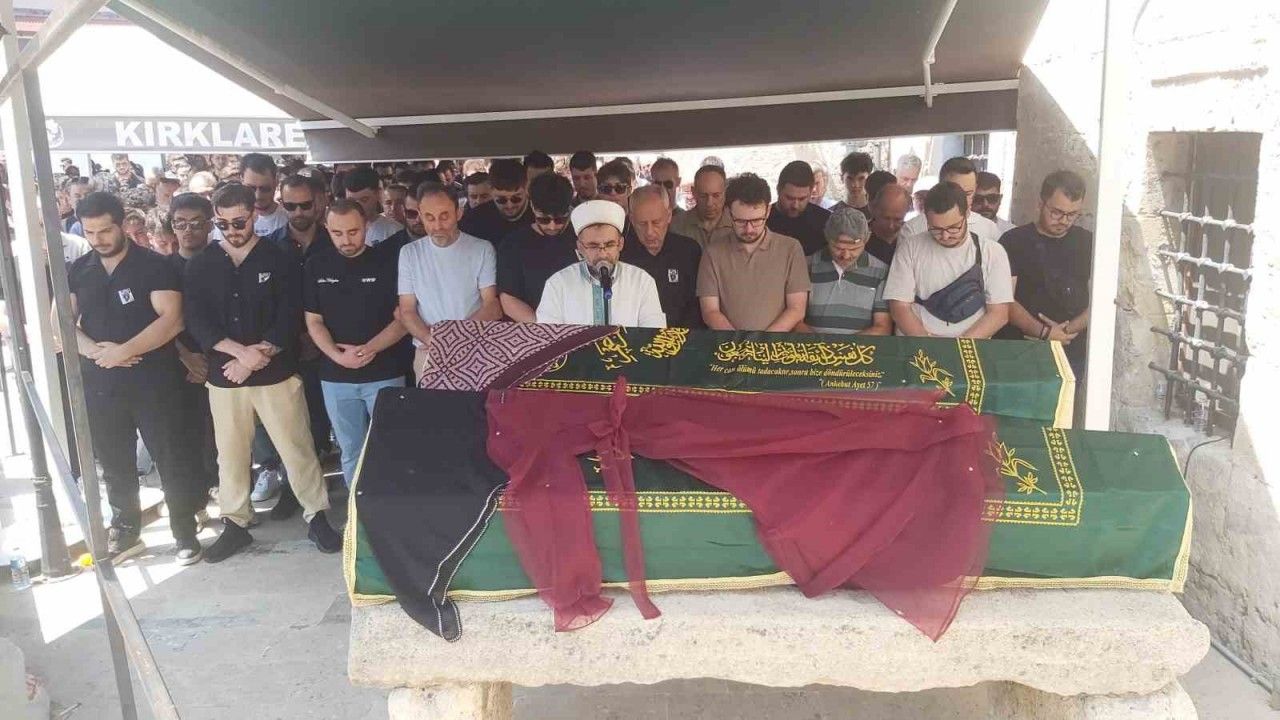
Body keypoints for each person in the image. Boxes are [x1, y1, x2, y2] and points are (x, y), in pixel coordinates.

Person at [183, 183, 341, 562]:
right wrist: (240, 355)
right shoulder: (201, 263)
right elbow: (198, 320)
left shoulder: (280, 256)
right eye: (223, 224)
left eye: (239, 222)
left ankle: (316, 516)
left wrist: (257, 355)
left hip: (275, 373)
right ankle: (235, 523)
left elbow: (290, 315)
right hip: (226, 374)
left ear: (253, 215)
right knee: (231, 454)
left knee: (297, 447)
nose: (232, 230)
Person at [68, 192, 203, 563]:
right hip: (101, 381)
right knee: (114, 461)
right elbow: (60, 322)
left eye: (105, 230)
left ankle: (184, 532)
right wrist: (97, 353)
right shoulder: (79, 269)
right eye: (89, 232)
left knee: (170, 456)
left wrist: (123, 351)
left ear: (122, 224)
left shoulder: (154, 266)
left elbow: (172, 320)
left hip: (154, 380)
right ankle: (125, 531)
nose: (98, 239)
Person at [304, 200, 409, 488]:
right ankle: (356, 509)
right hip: (335, 376)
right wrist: (337, 356)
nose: (346, 240)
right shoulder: (316, 265)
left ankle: (388, 506)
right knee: (350, 450)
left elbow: (404, 319)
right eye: (337, 233)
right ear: (326, 228)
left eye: (353, 232)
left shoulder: (389, 263)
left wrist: (370, 348)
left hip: (385, 371)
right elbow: (313, 321)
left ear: (366, 226)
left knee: (390, 447)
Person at [884, 182, 1012, 339]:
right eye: (936, 229)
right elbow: (899, 307)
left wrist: (959, 347)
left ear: (967, 214)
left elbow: (998, 314)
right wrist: (928, 345)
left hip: (971, 344)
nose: (945, 236)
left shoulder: (993, 252)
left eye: (953, 227)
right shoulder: (909, 248)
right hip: (918, 342)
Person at [398, 183, 500, 376]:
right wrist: (432, 340)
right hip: (428, 352)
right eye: (430, 217)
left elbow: (492, 307)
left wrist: (455, 340)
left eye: (444, 216)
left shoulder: (482, 249)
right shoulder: (409, 253)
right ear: (420, 216)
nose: (437, 225)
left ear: (458, 213)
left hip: (474, 351)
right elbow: (407, 310)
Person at [998, 170, 1092, 376]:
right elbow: (1004, 299)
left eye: (1072, 214)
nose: (1064, 220)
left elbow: (1103, 299)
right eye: (1057, 212)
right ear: (1040, 204)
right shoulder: (1013, 241)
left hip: (1071, 351)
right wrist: (1043, 332)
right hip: (1020, 348)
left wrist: (1064, 332)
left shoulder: (1087, 242)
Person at [697, 173, 809, 332]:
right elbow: (710, 312)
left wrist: (762, 342)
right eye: (741, 221)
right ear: (728, 213)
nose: (749, 229)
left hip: (776, 344)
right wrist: (738, 343)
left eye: (756, 220)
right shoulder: (712, 253)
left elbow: (796, 309)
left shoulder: (791, 249)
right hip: (729, 344)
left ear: (768, 211)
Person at [537, 200, 665, 328]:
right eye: (593, 246)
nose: (602, 254)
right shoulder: (558, 284)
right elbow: (547, 335)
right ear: (580, 248)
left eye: (609, 245)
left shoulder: (642, 282)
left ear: (620, 244)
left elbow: (654, 334)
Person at [167, 193, 220, 500]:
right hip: (179, 363)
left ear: (210, 225)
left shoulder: (223, 261)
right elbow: (155, 319)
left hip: (221, 359)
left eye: (197, 223)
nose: (188, 230)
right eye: (180, 223)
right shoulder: (162, 269)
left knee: (224, 436)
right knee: (185, 434)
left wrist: (210, 358)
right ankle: (195, 498)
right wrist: (186, 356)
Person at [496, 173, 578, 322]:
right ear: (532, 206)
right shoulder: (513, 244)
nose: (552, 226)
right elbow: (508, 299)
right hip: (534, 327)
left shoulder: (584, 239)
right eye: (544, 219)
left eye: (560, 219)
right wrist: (544, 328)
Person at [797, 207, 891, 335]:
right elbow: (795, 320)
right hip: (813, 346)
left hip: (860, 347)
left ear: (867, 238)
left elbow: (882, 327)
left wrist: (844, 346)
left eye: (854, 249)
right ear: (827, 237)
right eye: (838, 248)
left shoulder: (880, 272)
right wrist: (822, 345)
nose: (845, 256)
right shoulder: (806, 266)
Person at [621, 185, 702, 328]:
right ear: (632, 220)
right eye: (642, 224)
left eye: (656, 222)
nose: (650, 232)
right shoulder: (622, 256)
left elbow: (696, 306)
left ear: (669, 216)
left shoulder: (689, 251)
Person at [901, 157, 1001, 243]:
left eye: (968, 193)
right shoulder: (913, 230)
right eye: (955, 192)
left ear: (975, 188)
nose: (962, 200)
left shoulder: (990, 230)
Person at [458, 159, 532, 244]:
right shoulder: (474, 219)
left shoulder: (540, 216)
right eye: (501, 200)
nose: (509, 205)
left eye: (516, 199)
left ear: (527, 189)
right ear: (491, 191)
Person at [766, 160, 831, 255]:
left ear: (810, 192)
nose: (795, 205)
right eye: (789, 198)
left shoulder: (825, 221)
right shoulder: (762, 221)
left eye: (802, 199)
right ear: (778, 190)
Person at [670, 164, 734, 249]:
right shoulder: (677, 225)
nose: (709, 203)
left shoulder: (739, 224)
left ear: (725, 192)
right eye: (703, 196)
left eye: (716, 196)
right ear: (693, 192)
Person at [342, 166, 403, 245]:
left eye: (364, 200)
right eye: (352, 201)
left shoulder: (395, 231)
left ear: (378, 194)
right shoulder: (339, 230)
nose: (358, 206)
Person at [238, 153, 289, 237]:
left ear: (276, 182)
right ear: (241, 180)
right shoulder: (229, 220)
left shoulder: (289, 219)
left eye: (265, 188)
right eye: (251, 188)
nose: (258, 196)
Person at [867, 183, 912, 265]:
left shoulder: (912, 238)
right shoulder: (859, 238)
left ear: (907, 211)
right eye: (886, 218)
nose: (891, 226)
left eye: (897, 219)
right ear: (873, 209)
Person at [974, 171, 1017, 236]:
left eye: (991, 198)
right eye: (978, 199)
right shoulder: (960, 233)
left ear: (1000, 199)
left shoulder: (1013, 233)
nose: (985, 204)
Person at [834, 151, 874, 216]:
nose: (855, 185)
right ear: (842, 178)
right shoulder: (831, 214)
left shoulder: (877, 214)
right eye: (850, 178)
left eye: (861, 178)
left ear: (869, 178)